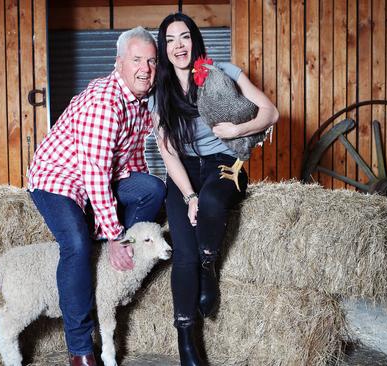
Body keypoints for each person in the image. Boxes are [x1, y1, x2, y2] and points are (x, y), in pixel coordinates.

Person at [27, 26, 165, 366]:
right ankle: (80, 350)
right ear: (118, 63)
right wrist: (115, 234)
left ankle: (109, 252)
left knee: (153, 188)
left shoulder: (138, 103)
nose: (145, 68)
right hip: (58, 180)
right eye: (136, 60)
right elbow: (95, 175)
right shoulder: (105, 102)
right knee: (76, 245)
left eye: (151, 61)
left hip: (93, 181)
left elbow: (131, 162)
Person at [152, 13, 279, 366]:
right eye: (171, 40)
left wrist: (236, 132)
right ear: (164, 48)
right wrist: (188, 195)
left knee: (212, 200)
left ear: (195, 40)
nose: (179, 45)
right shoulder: (160, 92)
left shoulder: (225, 71)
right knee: (183, 254)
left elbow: (271, 113)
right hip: (184, 172)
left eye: (185, 37)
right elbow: (167, 153)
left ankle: (210, 265)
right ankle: (186, 341)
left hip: (227, 162)